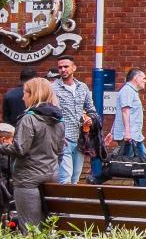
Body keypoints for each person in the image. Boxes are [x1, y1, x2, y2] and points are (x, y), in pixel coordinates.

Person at [3, 77, 65, 227]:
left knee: (30, 227)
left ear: (33, 95)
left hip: (27, 178)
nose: (23, 97)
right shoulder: (58, 120)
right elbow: (60, 152)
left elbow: (20, 149)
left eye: (25, 93)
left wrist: (3, 147)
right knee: (47, 225)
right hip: (51, 175)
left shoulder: (28, 119)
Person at [48, 57, 96, 185]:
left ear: (74, 68)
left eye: (66, 66)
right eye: (60, 67)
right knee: (65, 177)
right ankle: (63, 204)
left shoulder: (82, 87)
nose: (63, 70)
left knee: (75, 177)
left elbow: (91, 109)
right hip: (63, 138)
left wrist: (89, 119)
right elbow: (48, 113)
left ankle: (70, 204)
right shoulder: (52, 88)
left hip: (80, 138)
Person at [108, 68, 146, 188]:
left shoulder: (130, 91)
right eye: (143, 78)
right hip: (130, 136)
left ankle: (141, 190)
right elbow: (124, 112)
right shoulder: (127, 91)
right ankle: (97, 179)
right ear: (136, 78)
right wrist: (127, 133)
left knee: (138, 163)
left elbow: (119, 114)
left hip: (134, 135)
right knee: (135, 163)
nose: (145, 81)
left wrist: (112, 132)